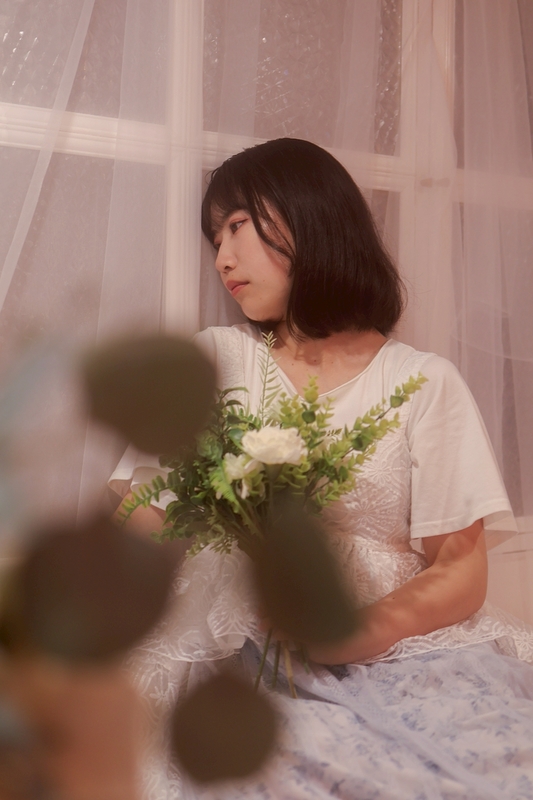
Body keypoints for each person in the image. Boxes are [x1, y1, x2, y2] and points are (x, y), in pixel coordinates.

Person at [110, 138, 533, 799]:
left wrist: (353, 633)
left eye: (237, 226)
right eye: (214, 239)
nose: (221, 258)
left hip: (405, 655)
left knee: (490, 761)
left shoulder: (423, 382)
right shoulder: (215, 361)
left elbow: (459, 568)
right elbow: (142, 521)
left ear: (309, 216)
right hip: (240, 653)